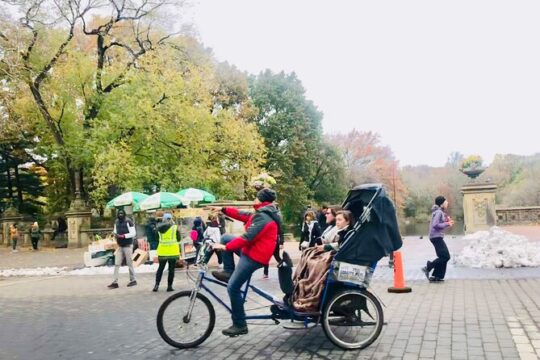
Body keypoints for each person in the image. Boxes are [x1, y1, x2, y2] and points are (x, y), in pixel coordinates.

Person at [208, 188, 281, 337]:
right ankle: (229, 271)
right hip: (251, 250)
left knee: (233, 288)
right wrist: (222, 209)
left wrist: (226, 248)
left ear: (260, 200)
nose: (254, 200)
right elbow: (242, 214)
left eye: (255, 198)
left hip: (255, 256)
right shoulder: (261, 213)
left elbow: (247, 238)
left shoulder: (264, 217)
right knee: (226, 236)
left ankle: (240, 324)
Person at [422, 196, 454, 282]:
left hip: (435, 236)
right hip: (436, 237)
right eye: (446, 202)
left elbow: (438, 223)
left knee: (442, 256)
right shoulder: (439, 212)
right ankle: (428, 267)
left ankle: (437, 276)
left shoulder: (439, 212)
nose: (447, 203)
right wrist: (447, 223)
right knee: (446, 256)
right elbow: (435, 225)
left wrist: (447, 221)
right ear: (442, 203)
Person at [108, 209, 137, 289]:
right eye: (119, 213)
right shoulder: (116, 222)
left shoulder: (129, 222)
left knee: (129, 263)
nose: (120, 215)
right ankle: (115, 282)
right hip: (120, 245)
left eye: (121, 213)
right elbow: (115, 230)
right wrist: (114, 234)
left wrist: (123, 236)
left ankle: (133, 280)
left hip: (128, 245)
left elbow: (133, 233)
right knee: (117, 263)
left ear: (124, 214)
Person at [153, 213, 182, 292]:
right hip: (172, 252)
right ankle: (169, 286)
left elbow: (156, 239)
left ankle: (156, 285)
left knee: (160, 268)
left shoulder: (158, 228)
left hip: (162, 252)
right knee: (171, 269)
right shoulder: (175, 228)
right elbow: (179, 239)